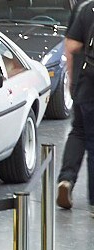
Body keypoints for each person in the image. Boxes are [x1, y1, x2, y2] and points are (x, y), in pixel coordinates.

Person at [57, 0, 94, 210]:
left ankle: (66, 180)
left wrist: (72, 83)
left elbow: (71, 47)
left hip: (85, 82)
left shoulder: (85, 7)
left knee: (79, 131)